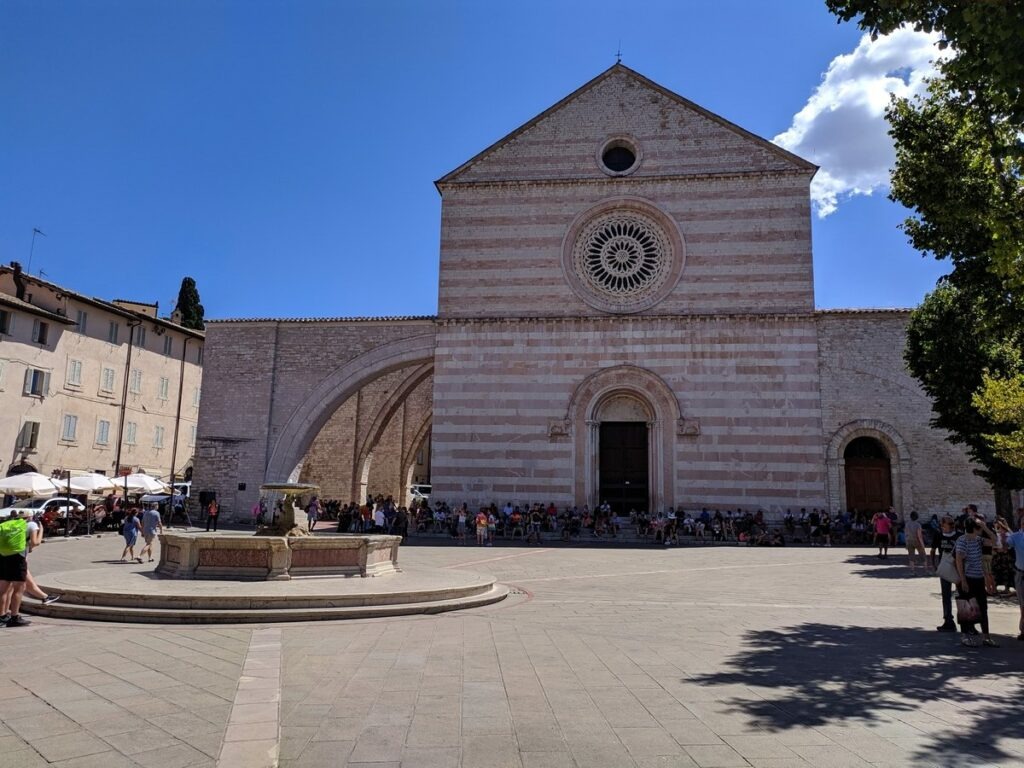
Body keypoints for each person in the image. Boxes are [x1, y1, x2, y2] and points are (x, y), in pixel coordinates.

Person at [955, 516, 997, 647]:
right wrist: (963, 580)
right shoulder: (962, 540)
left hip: (979, 578)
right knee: (966, 608)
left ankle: (986, 637)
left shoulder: (979, 540)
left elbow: (994, 541)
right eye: (979, 527)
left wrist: (985, 526)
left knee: (983, 607)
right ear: (974, 528)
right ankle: (965, 636)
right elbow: (958, 561)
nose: (980, 530)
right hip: (967, 578)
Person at [996, 513, 1024, 641]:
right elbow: (1004, 548)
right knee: (1022, 603)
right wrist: (1002, 537)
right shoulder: (1016, 537)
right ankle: (1023, 629)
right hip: (1021, 573)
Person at [930, 515, 960, 632]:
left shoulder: (959, 536)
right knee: (946, 595)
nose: (952, 526)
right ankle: (948, 620)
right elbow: (933, 550)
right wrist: (933, 564)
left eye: (953, 524)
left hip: (958, 568)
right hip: (945, 568)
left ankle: (966, 620)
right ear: (942, 526)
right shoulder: (938, 535)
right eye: (949, 524)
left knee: (962, 595)